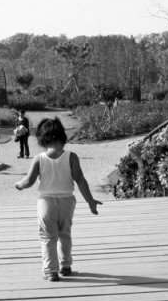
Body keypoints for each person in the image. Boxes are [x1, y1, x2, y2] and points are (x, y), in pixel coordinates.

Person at [14, 118, 102, 281]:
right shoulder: (71, 157)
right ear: (63, 137)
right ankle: (65, 265)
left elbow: (29, 181)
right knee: (65, 234)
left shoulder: (39, 158)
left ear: (42, 139)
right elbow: (80, 180)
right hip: (67, 202)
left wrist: (19, 185)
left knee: (48, 237)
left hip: (46, 203)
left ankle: (50, 270)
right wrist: (90, 200)